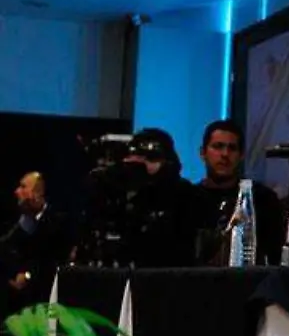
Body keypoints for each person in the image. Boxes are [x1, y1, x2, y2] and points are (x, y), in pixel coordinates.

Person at [78, 128, 200, 268]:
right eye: (135, 158)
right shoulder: (111, 190)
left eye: (151, 158)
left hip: (165, 272)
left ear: (167, 162)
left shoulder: (184, 194)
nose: (140, 166)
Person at [193, 119, 286, 266]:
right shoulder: (189, 198)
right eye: (218, 147)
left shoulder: (263, 199)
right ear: (202, 153)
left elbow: (274, 255)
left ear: (241, 155)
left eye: (232, 148)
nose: (225, 154)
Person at [0, 172, 72, 313]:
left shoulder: (57, 222)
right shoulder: (21, 220)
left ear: (37, 193)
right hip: (16, 301)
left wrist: (28, 275)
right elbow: (5, 248)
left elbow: (51, 260)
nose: (17, 192)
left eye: (23, 187)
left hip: (46, 299)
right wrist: (13, 274)